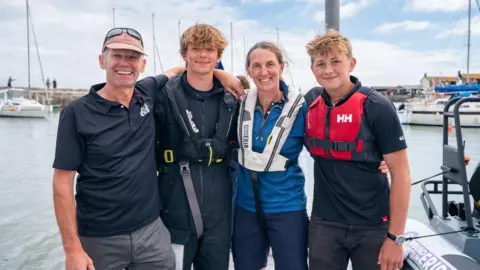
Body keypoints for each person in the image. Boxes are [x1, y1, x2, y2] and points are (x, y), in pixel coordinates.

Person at [52, 27, 242, 270]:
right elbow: (61, 184)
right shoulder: (77, 113)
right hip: (101, 236)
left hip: (151, 233)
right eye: (117, 56)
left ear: (142, 64)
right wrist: (72, 249)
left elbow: (180, 69)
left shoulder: (146, 94)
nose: (124, 63)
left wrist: (219, 73)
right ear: (102, 61)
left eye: (132, 57)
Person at [303, 29, 411, 270]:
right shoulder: (309, 102)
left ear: (351, 64)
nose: (328, 69)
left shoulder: (378, 107)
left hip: (373, 226)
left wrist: (396, 238)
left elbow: (401, 174)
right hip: (325, 225)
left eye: (335, 61)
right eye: (320, 63)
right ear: (313, 70)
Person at [155, 23, 238, 270]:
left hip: (219, 201)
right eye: (196, 48)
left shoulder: (232, 97)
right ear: (184, 54)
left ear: (219, 56)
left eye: (210, 49)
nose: (203, 54)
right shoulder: (163, 95)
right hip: (175, 201)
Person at [232, 41, 309, 270]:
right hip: (245, 206)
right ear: (248, 71)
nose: (263, 72)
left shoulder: (301, 108)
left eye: (270, 64)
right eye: (256, 66)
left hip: (287, 206)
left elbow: (324, 150)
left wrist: (376, 164)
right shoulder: (238, 103)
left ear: (281, 67)